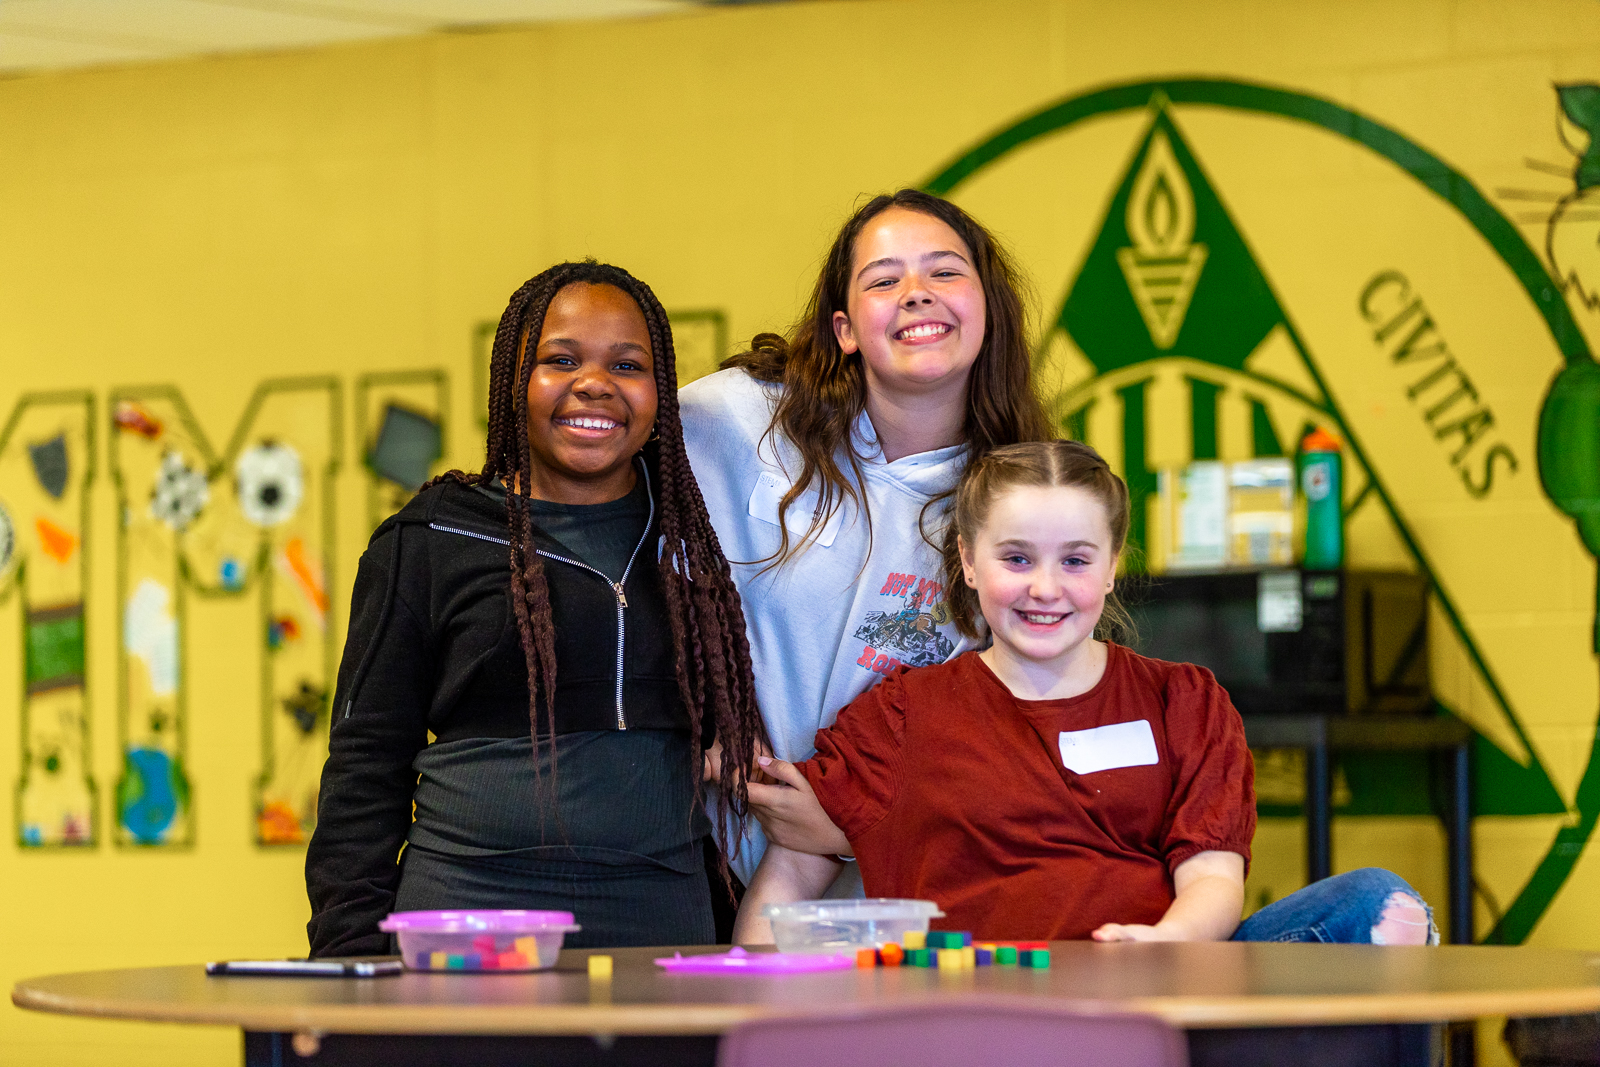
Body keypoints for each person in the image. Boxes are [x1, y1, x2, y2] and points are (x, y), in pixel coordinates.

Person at [733, 440, 1437, 947]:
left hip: (1160, 983)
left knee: (1378, 901)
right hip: (978, 1013)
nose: (1045, 588)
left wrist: (1165, 944)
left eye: (1075, 560)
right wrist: (751, 1014)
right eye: (1016, 558)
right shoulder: (903, 713)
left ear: (1111, 567)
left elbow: (1213, 879)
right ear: (969, 562)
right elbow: (791, 872)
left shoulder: (1185, 701)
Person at [305, 261, 764, 956]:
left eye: (628, 365)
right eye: (561, 359)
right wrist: (349, 960)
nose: (595, 383)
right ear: (514, 381)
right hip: (471, 920)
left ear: (660, 392)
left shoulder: (699, 536)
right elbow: (365, 765)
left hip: (663, 922)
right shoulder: (430, 538)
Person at [680, 189, 1052, 890]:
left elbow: (1018, 741)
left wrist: (851, 830)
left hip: (893, 884)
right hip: (701, 857)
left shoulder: (1020, 502)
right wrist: (695, 713)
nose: (916, 293)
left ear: (989, 310)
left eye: (945, 272)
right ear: (845, 329)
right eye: (884, 280)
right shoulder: (733, 418)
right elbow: (610, 549)